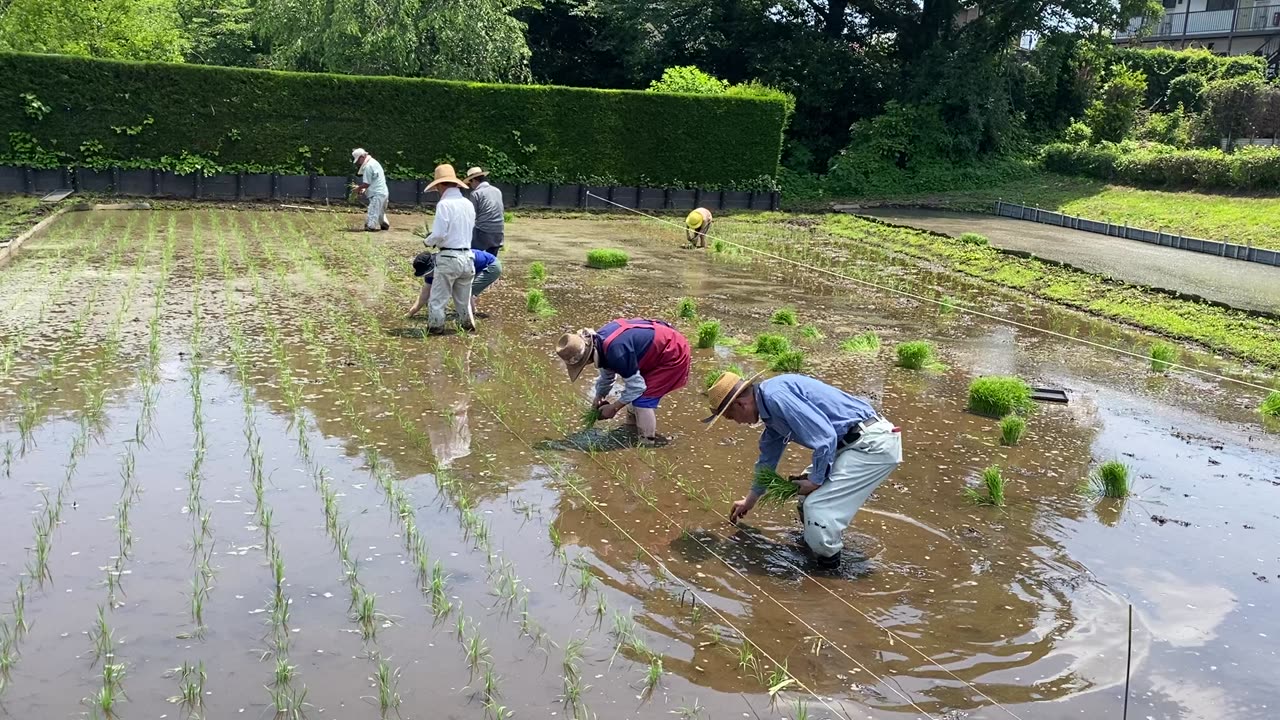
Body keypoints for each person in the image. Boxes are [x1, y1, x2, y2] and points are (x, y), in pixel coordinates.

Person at [705, 372, 902, 568]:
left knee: (818, 509)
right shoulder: (770, 411)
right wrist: (750, 499)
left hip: (872, 445)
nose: (738, 423)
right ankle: (813, 551)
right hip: (848, 444)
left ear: (741, 404)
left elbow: (825, 437)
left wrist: (815, 482)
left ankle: (828, 575)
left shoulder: (776, 396)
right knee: (805, 501)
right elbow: (767, 459)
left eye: (732, 417)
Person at [555, 319, 691, 445]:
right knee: (633, 397)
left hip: (672, 352)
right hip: (655, 350)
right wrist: (599, 396)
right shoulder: (600, 343)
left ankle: (647, 443)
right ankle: (631, 431)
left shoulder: (616, 351)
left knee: (642, 401)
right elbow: (607, 375)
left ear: (588, 357)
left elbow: (637, 388)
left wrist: (614, 408)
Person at [423, 164, 477, 334]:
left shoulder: (444, 204)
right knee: (463, 300)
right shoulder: (468, 204)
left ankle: (435, 328)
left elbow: (439, 234)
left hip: (449, 258)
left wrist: (427, 240)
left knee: (438, 299)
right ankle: (466, 327)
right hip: (468, 258)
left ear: (440, 185)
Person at [405, 249, 502, 319]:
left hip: (491, 265)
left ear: (433, 266)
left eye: (428, 273)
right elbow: (424, 295)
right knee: (464, 291)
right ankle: (471, 313)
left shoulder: (446, 263)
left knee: (466, 291)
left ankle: (471, 314)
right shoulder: (432, 272)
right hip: (472, 266)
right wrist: (411, 313)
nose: (429, 275)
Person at [465, 167, 505, 254]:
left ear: (474, 180)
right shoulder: (497, 191)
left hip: (483, 233)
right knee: (491, 261)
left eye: (470, 183)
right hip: (499, 232)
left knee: (469, 253)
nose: (471, 186)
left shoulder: (476, 193)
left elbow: (471, 215)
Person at [352, 148, 390, 231]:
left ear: (362, 157)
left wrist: (358, 188)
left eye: (358, 160)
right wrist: (363, 189)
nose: (358, 163)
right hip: (384, 192)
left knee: (372, 213)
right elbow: (374, 181)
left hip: (376, 194)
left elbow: (366, 184)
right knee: (380, 212)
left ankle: (370, 227)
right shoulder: (374, 162)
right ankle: (384, 223)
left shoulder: (368, 166)